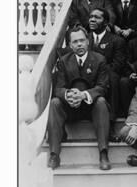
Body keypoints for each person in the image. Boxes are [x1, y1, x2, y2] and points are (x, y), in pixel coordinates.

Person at [47, 26, 111, 171]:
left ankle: (103, 153)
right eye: (75, 42)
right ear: (70, 45)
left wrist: (83, 95)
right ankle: (54, 154)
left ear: (88, 42)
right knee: (55, 103)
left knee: (101, 101)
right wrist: (68, 94)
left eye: (82, 40)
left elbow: (102, 87)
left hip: (91, 107)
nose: (79, 44)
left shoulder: (99, 59)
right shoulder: (64, 61)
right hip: (70, 107)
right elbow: (58, 88)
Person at [88, 7, 127, 138]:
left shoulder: (117, 40)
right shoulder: (84, 40)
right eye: (91, 16)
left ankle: (109, 122)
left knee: (113, 77)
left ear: (105, 22)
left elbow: (117, 65)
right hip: (85, 75)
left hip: (106, 76)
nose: (92, 19)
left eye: (97, 17)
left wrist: (99, 74)